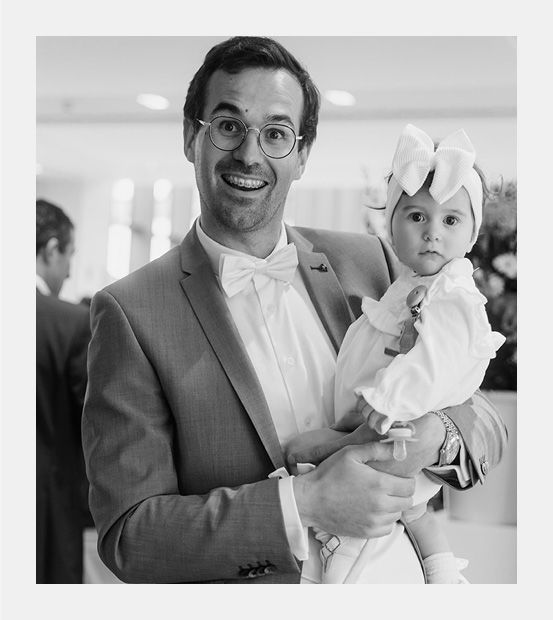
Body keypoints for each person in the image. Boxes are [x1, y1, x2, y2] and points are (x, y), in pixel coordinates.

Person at [82, 36, 507, 584]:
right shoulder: (131, 312)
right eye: (228, 126)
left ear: (303, 154)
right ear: (191, 136)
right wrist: (302, 503)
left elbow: (485, 422)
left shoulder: (372, 262)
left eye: (277, 133)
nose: (250, 154)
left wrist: (434, 436)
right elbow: (131, 537)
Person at [292, 123, 505, 584]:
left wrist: (412, 416)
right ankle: (443, 574)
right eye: (417, 217)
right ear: (391, 223)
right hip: (375, 424)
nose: (432, 234)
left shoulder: (446, 291)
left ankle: (341, 565)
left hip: (394, 423)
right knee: (416, 513)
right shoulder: (409, 282)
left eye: (451, 221)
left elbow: (450, 376)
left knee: (370, 511)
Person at [36, 199, 92, 583]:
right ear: (52, 249)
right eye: (70, 255)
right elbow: (92, 426)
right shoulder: (69, 323)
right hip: (45, 509)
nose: (70, 272)